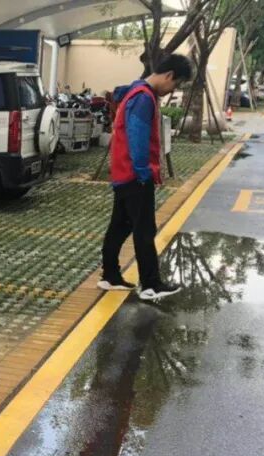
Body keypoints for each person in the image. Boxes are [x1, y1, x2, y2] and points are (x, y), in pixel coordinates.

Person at [98, 53, 194, 302]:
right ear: (169, 75)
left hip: (123, 172)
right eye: (176, 84)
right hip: (135, 175)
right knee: (144, 229)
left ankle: (110, 276)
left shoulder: (135, 91)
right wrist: (143, 173)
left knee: (120, 227)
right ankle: (151, 285)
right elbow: (138, 138)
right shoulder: (143, 98)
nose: (173, 90)